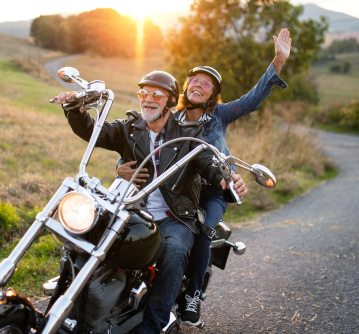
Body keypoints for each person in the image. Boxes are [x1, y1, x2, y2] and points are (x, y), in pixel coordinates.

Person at [117, 28, 292, 326]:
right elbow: (141, 142)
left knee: (204, 231)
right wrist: (121, 167)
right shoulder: (172, 117)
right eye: (195, 80)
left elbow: (251, 100)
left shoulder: (220, 116)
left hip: (213, 188)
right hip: (179, 187)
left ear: (212, 95)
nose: (199, 84)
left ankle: (193, 294)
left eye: (207, 84)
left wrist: (277, 62)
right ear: (185, 88)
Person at [52, 70, 239, 334]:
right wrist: (74, 108)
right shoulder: (129, 128)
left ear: (170, 102)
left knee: (174, 254)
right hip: (132, 212)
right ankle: (73, 304)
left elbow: (209, 164)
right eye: (144, 93)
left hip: (173, 218)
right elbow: (93, 131)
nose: (148, 99)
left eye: (156, 95)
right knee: (86, 237)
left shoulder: (189, 133)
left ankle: (152, 326)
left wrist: (226, 179)